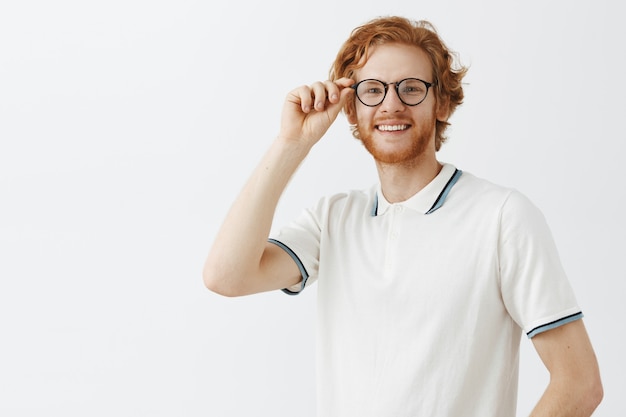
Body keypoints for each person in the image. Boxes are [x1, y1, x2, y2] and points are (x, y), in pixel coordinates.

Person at [203, 15, 603, 416]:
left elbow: (579, 384)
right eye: (372, 90)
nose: (391, 104)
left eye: (411, 88)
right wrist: (293, 142)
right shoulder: (333, 219)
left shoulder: (501, 216)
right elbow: (226, 276)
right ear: (350, 108)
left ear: (442, 102)